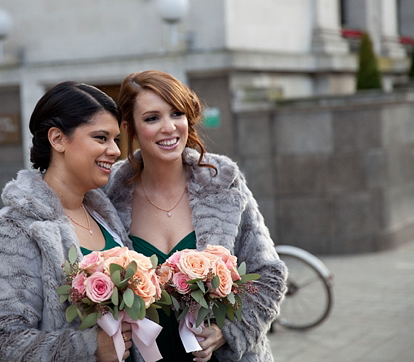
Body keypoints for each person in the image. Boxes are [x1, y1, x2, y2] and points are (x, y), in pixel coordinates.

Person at [104, 70, 287, 362]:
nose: (169, 127)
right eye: (152, 118)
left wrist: (227, 331)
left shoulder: (223, 182)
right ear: (130, 128)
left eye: (177, 113)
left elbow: (268, 274)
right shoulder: (107, 197)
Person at [0, 81, 135, 362]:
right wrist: (88, 347)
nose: (116, 150)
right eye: (101, 138)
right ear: (57, 139)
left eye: (115, 140)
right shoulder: (11, 230)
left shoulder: (106, 216)